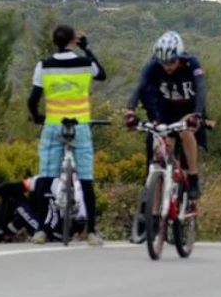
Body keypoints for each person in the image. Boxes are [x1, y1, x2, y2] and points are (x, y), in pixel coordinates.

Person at [27, 25, 107, 246]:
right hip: (79, 125)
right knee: (86, 179)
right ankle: (91, 231)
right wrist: (87, 49)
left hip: (53, 125)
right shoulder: (84, 63)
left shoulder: (44, 66)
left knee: (45, 177)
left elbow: (32, 100)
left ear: (54, 42)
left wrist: (37, 117)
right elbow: (102, 74)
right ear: (74, 40)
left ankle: (41, 230)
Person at [123, 31, 206, 200]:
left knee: (185, 132)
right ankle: (154, 211)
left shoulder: (191, 64)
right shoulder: (153, 66)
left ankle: (193, 176)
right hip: (167, 111)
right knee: (160, 143)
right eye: (163, 62)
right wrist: (130, 110)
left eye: (172, 61)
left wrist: (197, 114)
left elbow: (201, 89)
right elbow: (140, 87)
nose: (167, 66)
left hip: (189, 110)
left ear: (180, 56)